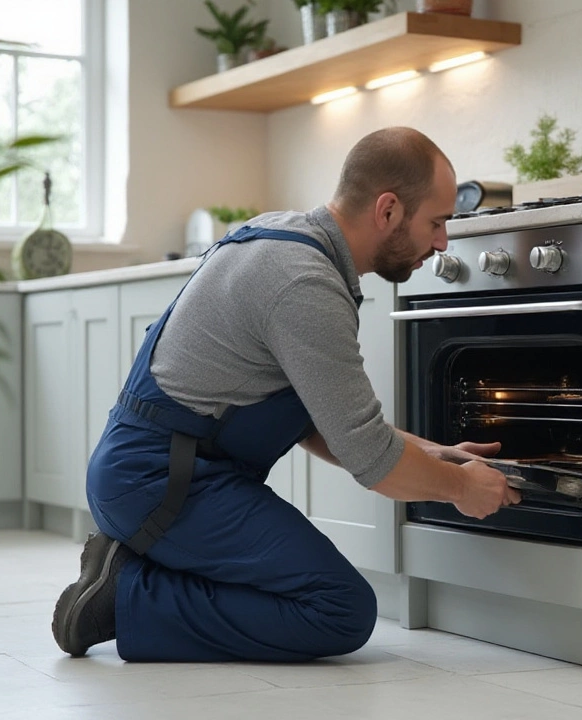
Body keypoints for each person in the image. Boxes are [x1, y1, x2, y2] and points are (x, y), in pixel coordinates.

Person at [51, 127, 521, 662]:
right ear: (388, 210)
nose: (442, 243)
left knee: (307, 591)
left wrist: (435, 456)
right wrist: (460, 487)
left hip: (158, 476)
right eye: (436, 222)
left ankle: (135, 568)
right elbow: (370, 459)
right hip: (163, 486)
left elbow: (328, 426)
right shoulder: (305, 284)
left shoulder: (280, 235)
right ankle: (122, 598)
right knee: (339, 609)